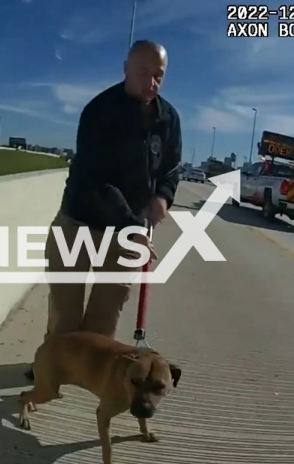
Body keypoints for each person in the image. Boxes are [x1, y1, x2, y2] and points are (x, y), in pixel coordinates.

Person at [25, 39, 182, 379]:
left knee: (105, 317)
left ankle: (85, 374)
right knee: (66, 316)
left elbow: (171, 168)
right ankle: (48, 370)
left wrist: (163, 196)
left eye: (159, 75)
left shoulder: (168, 118)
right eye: (144, 72)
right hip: (79, 222)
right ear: (126, 68)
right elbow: (96, 181)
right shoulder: (100, 111)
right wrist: (133, 226)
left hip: (126, 234)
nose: (152, 82)